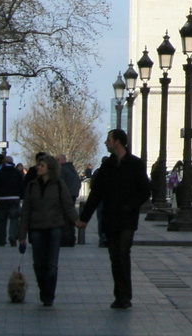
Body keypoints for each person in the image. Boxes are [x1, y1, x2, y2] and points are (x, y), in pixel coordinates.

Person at [76, 129, 149, 309]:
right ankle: (119, 295)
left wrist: (130, 206)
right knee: (115, 257)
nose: (105, 143)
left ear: (117, 142)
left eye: (108, 139)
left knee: (123, 253)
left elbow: (145, 190)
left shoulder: (135, 164)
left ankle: (125, 296)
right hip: (110, 219)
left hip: (127, 219)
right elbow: (95, 195)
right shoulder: (106, 167)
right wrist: (84, 218)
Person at [17, 152, 77, 306]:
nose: (39, 167)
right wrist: (22, 234)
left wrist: (76, 221)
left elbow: (67, 204)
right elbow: (26, 211)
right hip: (36, 229)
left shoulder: (58, 184)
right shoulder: (32, 186)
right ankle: (43, 288)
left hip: (54, 228)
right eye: (39, 165)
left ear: (49, 168)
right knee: (38, 263)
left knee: (51, 264)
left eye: (42, 165)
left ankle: (48, 295)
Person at [0, 155, 24, 247]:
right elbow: (21, 185)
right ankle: (12, 238)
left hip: (2, 199)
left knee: (2, 220)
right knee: (14, 219)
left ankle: (1, 240)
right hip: (14, 198)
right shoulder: (17, 173)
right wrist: (21, 196)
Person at [57, 155, 81, 247]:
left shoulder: (63, 170)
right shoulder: (72, 170)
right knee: (71, 218)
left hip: (65, 197)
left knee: (65, 218)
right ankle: (71, 238)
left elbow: (60, 184)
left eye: (58, 160)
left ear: (63, 160)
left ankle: (65, 239)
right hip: (72, 196)